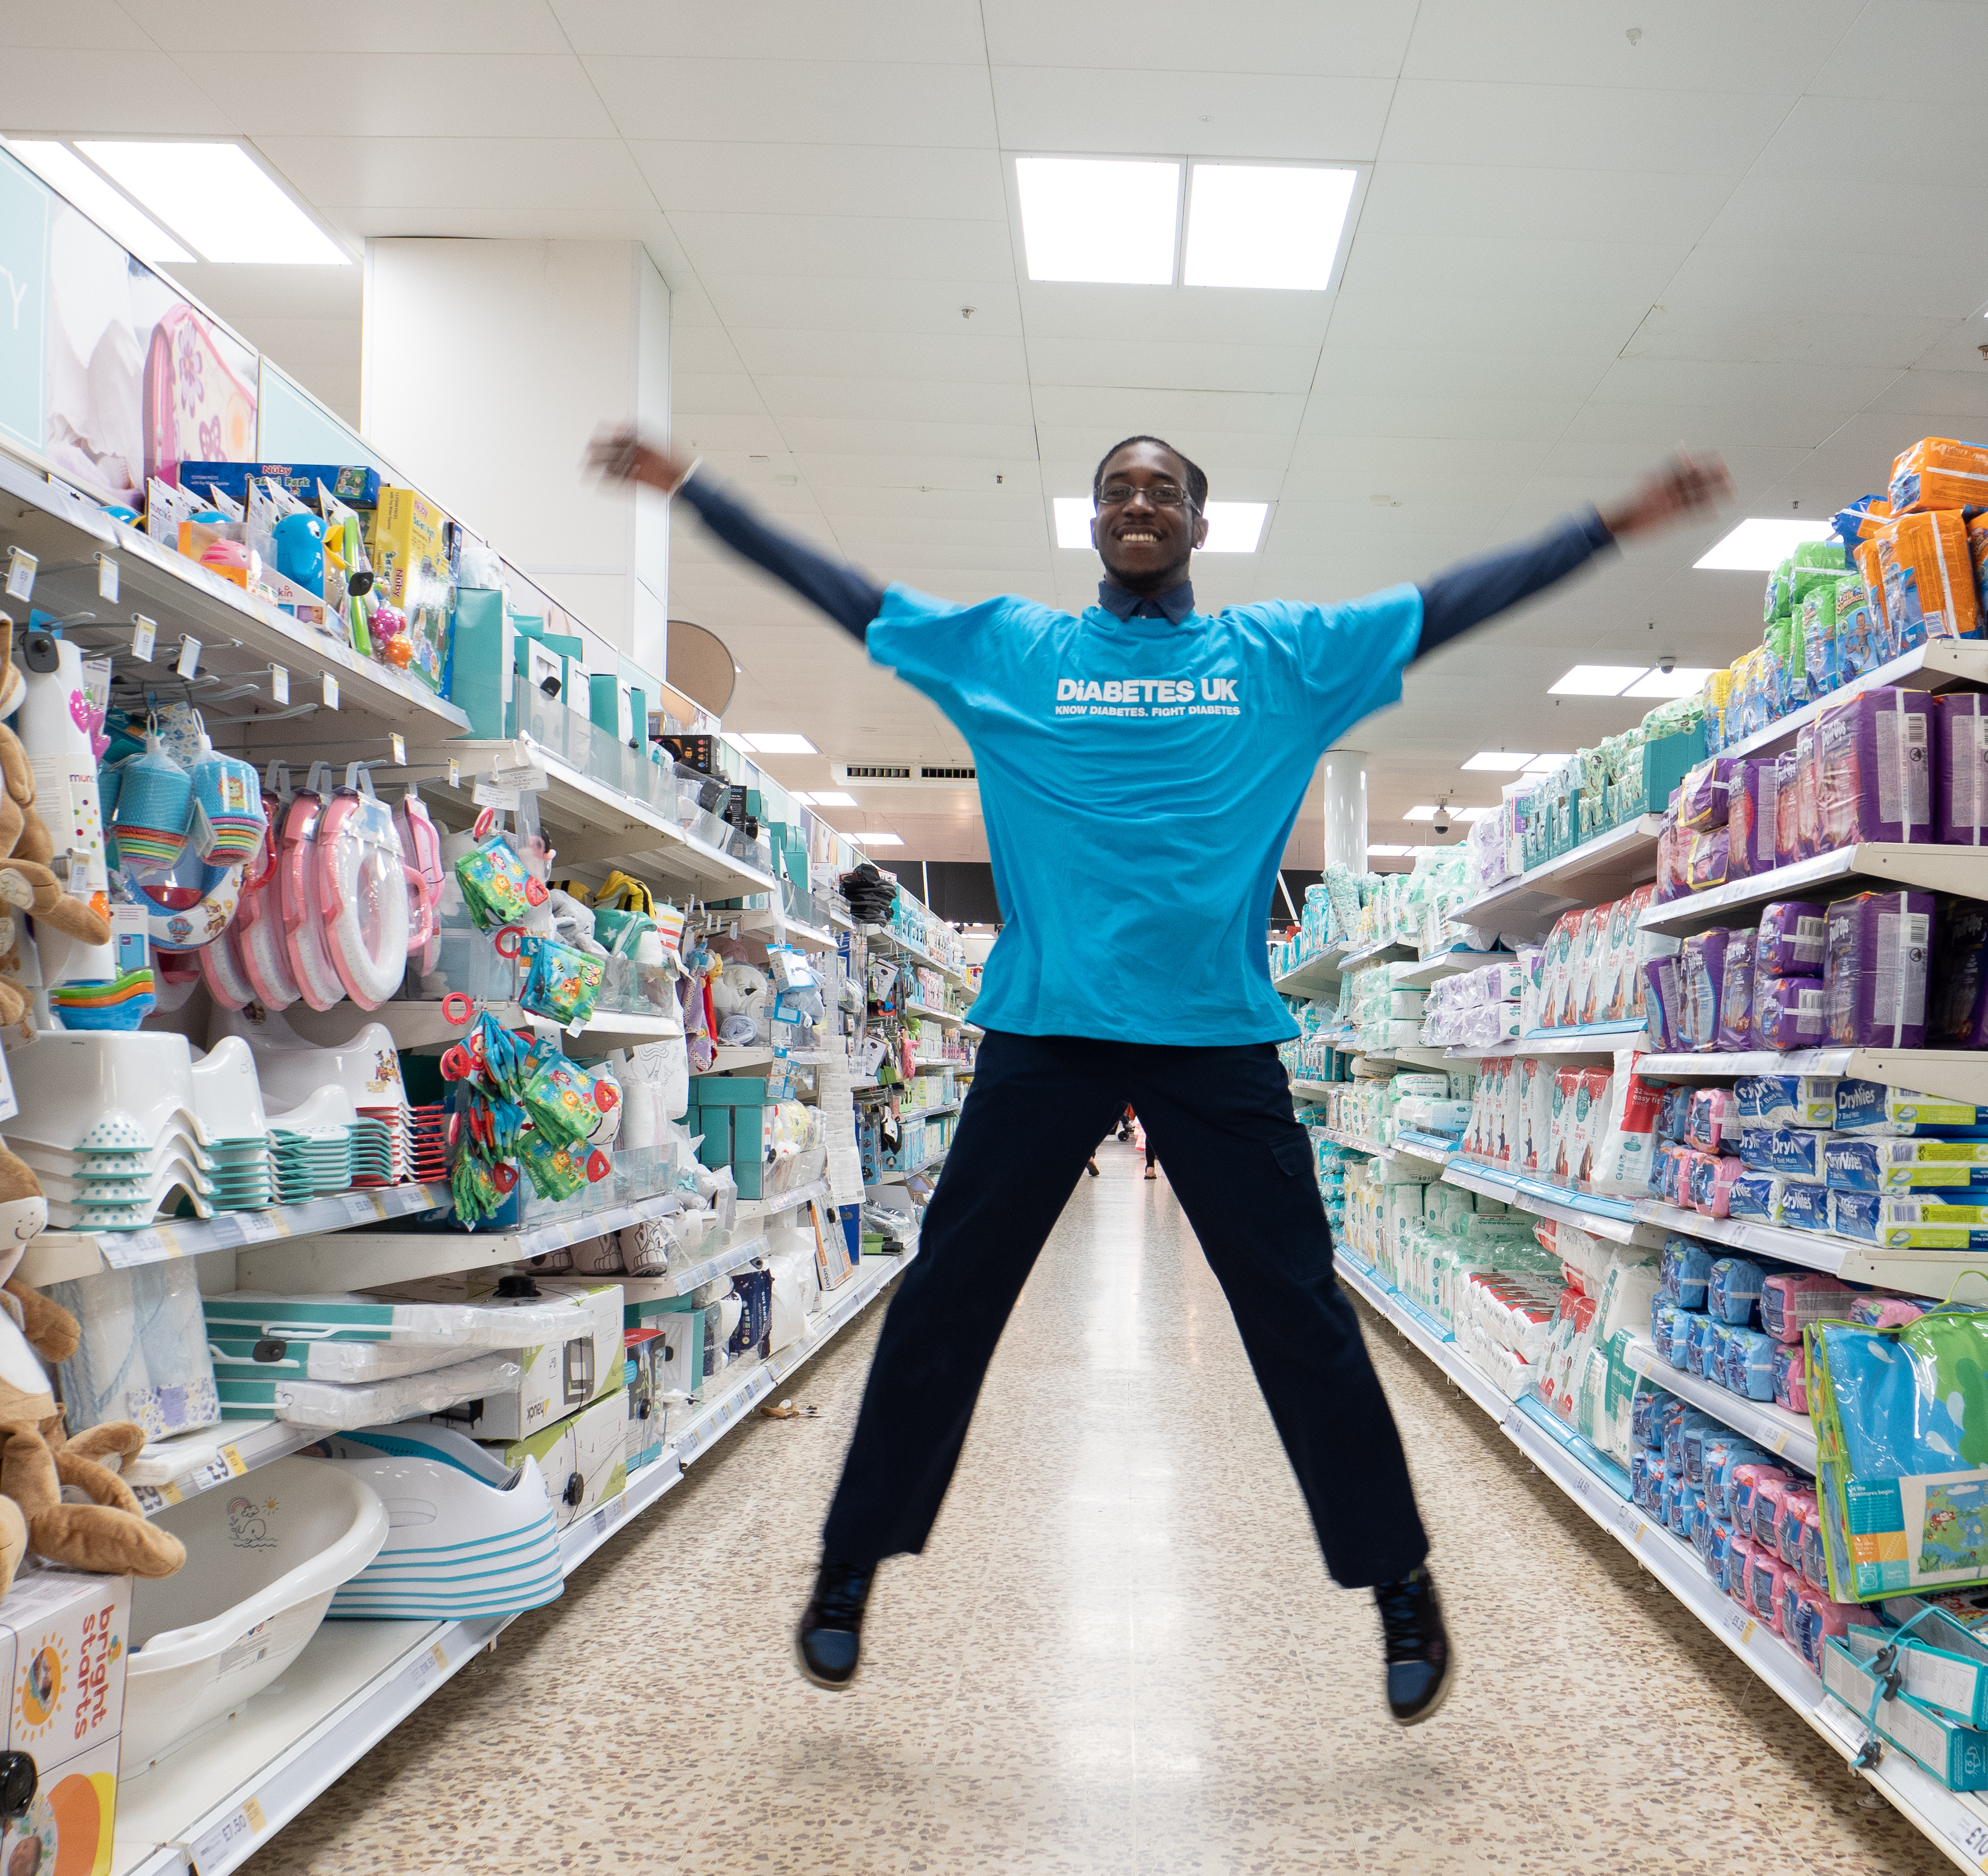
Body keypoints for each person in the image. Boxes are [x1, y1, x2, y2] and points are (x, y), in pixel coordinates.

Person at [590, 426, 1730, 1724]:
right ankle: (851, 1563)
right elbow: (841, 594)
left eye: (1165, 490)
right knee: (946, 1299)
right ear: (1092, 526)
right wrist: (694, 490)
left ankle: (1399, 1580)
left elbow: (1460, 600)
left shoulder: (1284, 659)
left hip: (1216, 1033)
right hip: (1050, 1023)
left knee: (1300, 1312)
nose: (1140, 504)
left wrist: (1615, 523)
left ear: (1199, 522)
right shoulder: (1014, 651)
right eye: (1117, 490)